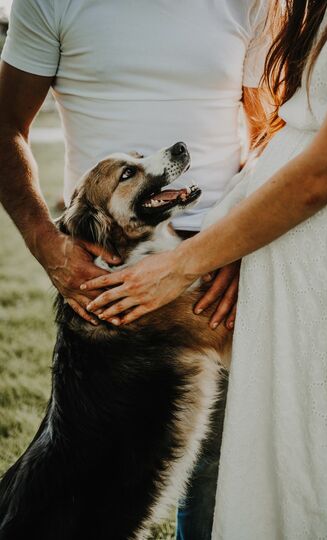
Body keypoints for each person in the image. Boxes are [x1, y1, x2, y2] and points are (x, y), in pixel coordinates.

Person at [81, 0, 327, 537]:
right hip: (260, 251)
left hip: (324, 260)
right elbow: (289, 128)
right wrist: (235, 238)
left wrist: (190, 260)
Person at [0, 1, 272, 538]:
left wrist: (244, 240)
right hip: (109, 263)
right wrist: (47, 242)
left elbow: (265, 122)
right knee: (98, 457)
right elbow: (4, 123)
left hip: (228, 250)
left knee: (223, 465)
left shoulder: (251, 1)